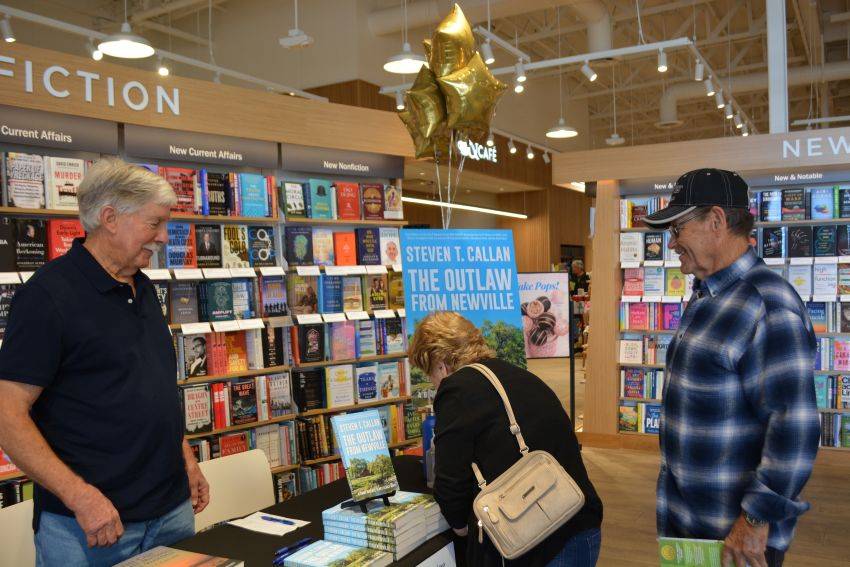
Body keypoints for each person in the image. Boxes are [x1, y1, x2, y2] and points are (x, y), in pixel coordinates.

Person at [0, 158, 210, 566]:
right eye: (154, 224)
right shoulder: (48, 297)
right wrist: (81, 497)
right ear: (110, 218)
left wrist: (186, 459)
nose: (164, 237)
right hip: (93, 528)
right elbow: (7, 413)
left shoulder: (144, 288)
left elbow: (152, 390)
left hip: (171, 512)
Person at [643, 168, 820, 567]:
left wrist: (755, 519)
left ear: (717, 221)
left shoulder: (767, 304)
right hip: (691, 527)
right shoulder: (708, 295)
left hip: (735, 539)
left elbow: (794, 428)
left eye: (677, 230)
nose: (672, 244)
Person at [409, 312, 603, 566]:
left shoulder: (456, 390)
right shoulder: (517, 375)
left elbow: (450, 483)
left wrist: (460, 527)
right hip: (579, 522)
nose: (434, 384)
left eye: (430, 374)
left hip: (538, 542)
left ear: (440, 362)